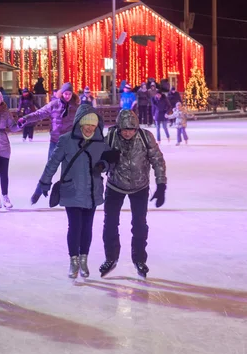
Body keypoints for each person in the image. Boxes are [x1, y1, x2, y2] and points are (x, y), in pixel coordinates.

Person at [37, 105, 118, 279]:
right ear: (79, 123)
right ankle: (73, 260)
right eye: (86, 124)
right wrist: (44, 181)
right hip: (72, 190)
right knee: (75, 226)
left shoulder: (100, 142)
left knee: (87, 227)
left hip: (92, 192)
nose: (89, 128)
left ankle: (83, 259)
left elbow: (112, 160)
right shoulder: (66, 140)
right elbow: (53, 162)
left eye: (93, 125)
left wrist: (104, 165)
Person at [100, 109, 167, 278]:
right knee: (110, 223)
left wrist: (161, 184)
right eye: (124, 129)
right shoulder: (111, 137)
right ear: (118, 128)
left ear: (137, 128)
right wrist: (105, 160)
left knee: (139, 225)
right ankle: (111, 257)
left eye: (131, 129)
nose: (128, 132)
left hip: (140, 187)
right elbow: (98, 160)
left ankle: (139, 259)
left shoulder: (146, 137)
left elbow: (157, 160)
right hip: (115, 186)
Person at [19, 82, 81, 204]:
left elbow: (85, 119)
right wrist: (25, 118)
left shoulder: (76, 107)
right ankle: (39, 191)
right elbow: (39, 113)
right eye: (65, 93)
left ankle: (69, 195)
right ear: (61, 93)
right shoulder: (54, 105)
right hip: (55, 142)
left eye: (69, 93)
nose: (67, 96)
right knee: (50, 168)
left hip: (70, 142)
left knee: (70, 170)